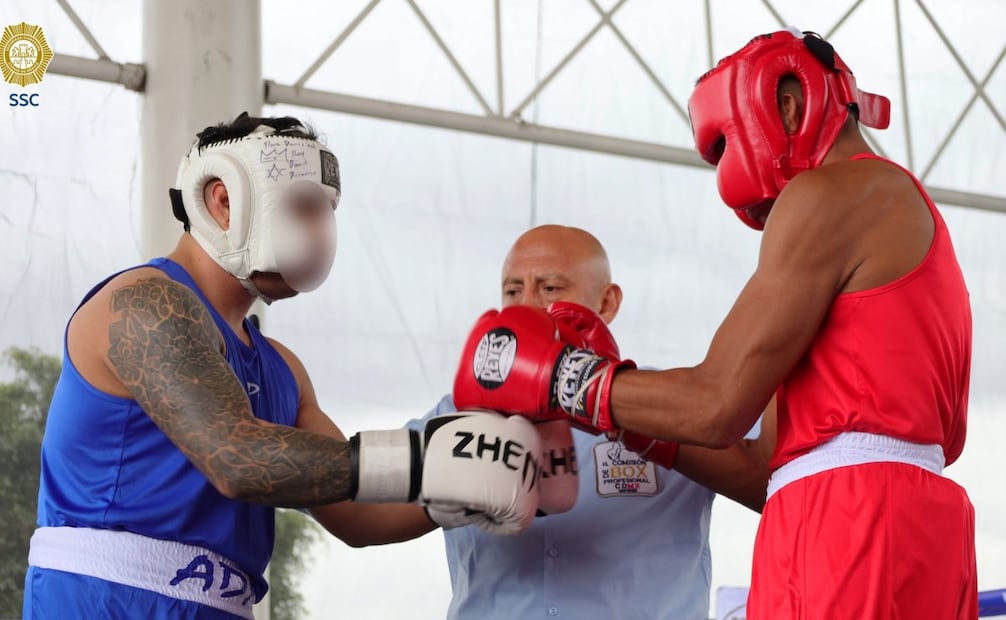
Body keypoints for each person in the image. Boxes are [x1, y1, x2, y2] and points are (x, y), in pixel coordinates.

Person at [452, 29, 976, 619]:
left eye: (726, 140)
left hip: (853, 516)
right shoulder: (884, 209)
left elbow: (716, 402)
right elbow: (758, 470)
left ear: (788, 104)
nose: (728, 164)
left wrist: (568, 379)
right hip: (883, 512)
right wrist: (628, 419)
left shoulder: (832, 190)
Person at [23, 113, 544, 619]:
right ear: (223, 201)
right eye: (303, 206)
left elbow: (357, 513)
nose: (321, 230)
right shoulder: (143, 304)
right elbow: (239, 458)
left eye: (327, 210)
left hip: (222, 605)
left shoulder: (282, 369)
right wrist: (432, 461)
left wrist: (463, 487)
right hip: (104, 599)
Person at [411, 224, 775, 619]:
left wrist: (606, 402)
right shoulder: (458, 414)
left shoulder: (675, 403)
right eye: (512, 291)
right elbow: (361, 518)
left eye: (550, 288)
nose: (526, 306)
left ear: (607, 303)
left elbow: (773, 482)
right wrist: (455, 480)